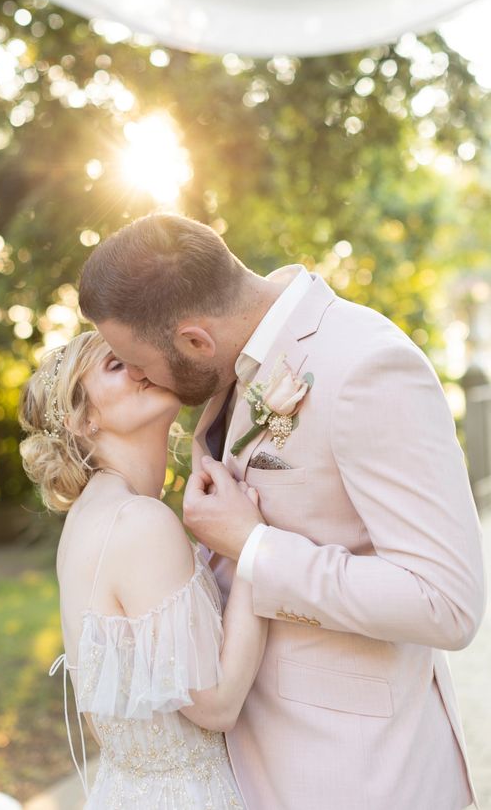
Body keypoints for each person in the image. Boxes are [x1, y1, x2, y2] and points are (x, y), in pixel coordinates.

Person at [79, 213, 486, 810]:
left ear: (194, 341)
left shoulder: (366, 366)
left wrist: (257, 547)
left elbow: (446, 602)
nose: (137, 375)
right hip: (248, 769)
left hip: (357, 776)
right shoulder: (237, 361)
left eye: (134, 359)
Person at [18, 330, 267, 808]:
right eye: (116, 365)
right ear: (83, 420)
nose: (141, 366)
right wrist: (250, 545)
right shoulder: (138, 521)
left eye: (136, 354)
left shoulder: (91, 515)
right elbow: (217, 704)